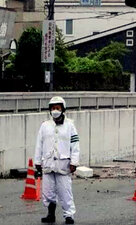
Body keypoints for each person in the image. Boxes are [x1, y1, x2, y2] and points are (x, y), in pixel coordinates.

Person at [34, 96, 80, 224]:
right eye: (53, 108)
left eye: (58, 108)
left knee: (65, 192)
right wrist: (37, 162)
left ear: (63, 109)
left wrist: (74, 162)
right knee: (48, 192)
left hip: (63, 165)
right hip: (48, 164)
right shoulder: (45, 126)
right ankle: (50, 214)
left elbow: (75, 145)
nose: (55, 110)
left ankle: (69, 215)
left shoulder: (70, 125)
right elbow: (39, 144)